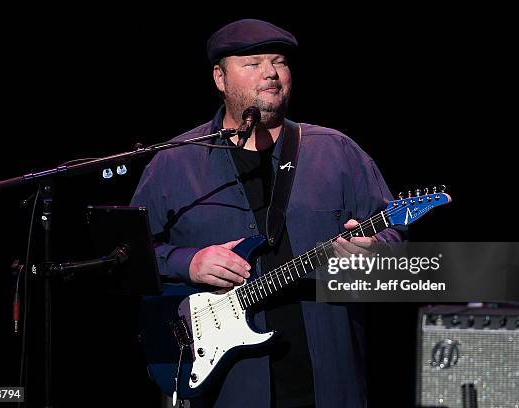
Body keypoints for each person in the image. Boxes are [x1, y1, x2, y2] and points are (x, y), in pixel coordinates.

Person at [131, 19, 403, 408]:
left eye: (279, 62)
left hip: (327, 378)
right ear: (219, 78)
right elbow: (127, 256)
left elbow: (393, 233)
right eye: (253, 63)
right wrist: (189, 262)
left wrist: (376, 250)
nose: (271, 73)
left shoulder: (337, 151)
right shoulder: (175, 162)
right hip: (224, 385)